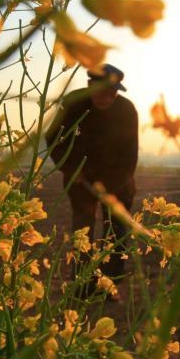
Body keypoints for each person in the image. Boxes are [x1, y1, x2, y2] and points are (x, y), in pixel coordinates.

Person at [45, 64, 138, 283]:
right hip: (80, 178)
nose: (106, 98)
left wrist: (110, 191)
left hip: (117, 181)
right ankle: (83, 283)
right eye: (101, 92)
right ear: (89, 86)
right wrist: (70, 168)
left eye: (112, 93)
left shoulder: (126, 110)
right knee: (82, 232)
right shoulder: (72, 104)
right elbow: (53, 140)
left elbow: (130, 156)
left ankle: (110, 283)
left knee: (115, 233)